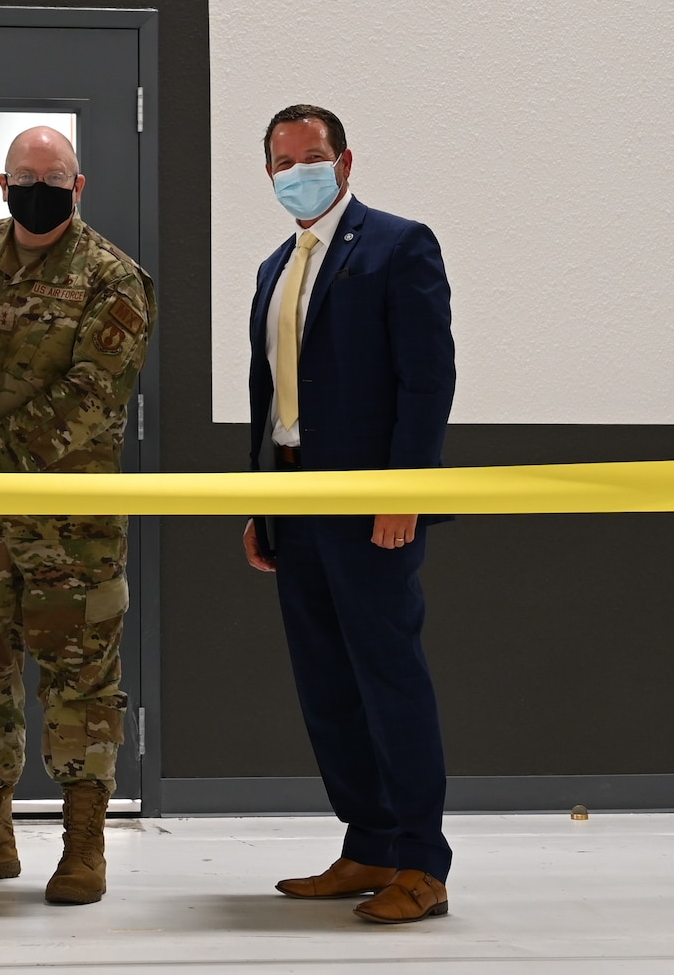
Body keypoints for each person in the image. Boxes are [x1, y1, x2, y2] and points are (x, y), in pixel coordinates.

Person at [0, 126, 154, 905]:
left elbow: (95, 395)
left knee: (80, 680)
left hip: (68, 527)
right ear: (3, 186)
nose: (38, 188)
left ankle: (84, 845)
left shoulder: (112, 277)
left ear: (78, 188)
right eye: (24, 177)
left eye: (55, 177)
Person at [242, 104, 456, 924]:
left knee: (386, 677)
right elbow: (270, 401)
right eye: (282, 160)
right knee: (325, 683)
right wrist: (259, 500)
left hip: (370, 502)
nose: (297, 170)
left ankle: (420, 863)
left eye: (313, 155)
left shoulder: (400, 246)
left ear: (345, 161)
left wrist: (404, 486)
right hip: (290, 497)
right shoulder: (272, 267)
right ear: (267, 173)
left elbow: (426, 377)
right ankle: (365, 844)